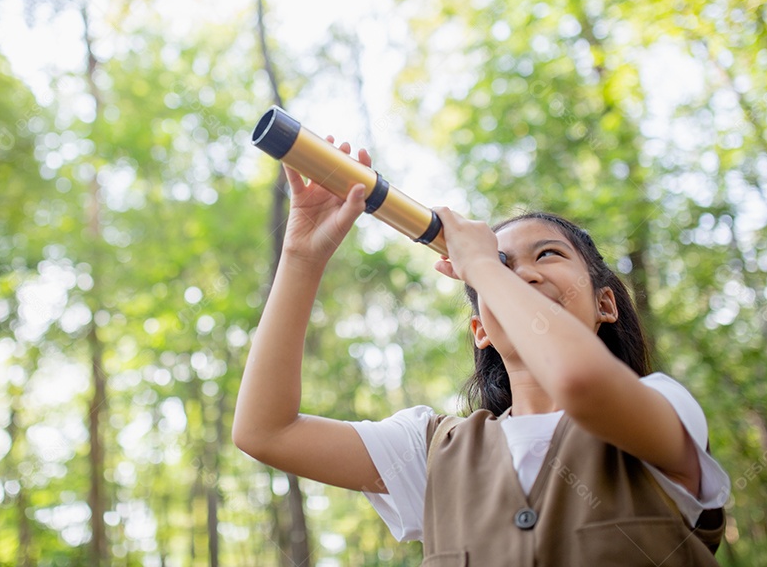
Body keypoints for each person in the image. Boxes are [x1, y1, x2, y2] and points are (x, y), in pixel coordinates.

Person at [232, 140, 730, 565]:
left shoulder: (667, 408)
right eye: (503, 263)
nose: (524, 273)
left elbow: (582, 384)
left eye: (548, 254)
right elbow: (266, 430)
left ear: (606, 304)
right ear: (480, 331)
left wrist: (485, 267)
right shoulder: (431, 451)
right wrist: (301, 255)